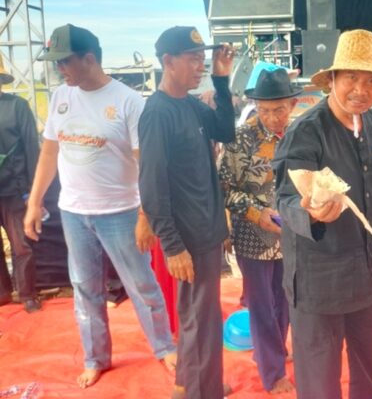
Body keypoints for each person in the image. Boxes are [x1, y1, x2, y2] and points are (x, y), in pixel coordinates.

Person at [23, 24, 176, 388]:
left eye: (65, 61)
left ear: (89, 58)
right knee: (85, 289)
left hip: (121, 212)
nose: (59, 69)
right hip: (74, 213)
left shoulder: (128, 102)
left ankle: (165, 347)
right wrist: (34, 203)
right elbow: (49, 152)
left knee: (142, 285)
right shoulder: (61, 97)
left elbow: (147, 165)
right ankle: (95, 358)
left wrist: (145, 216)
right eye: (56, 63)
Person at [272, 29, 372, 399]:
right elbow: (286, 198)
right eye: (351, 77)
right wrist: (312, 212)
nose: (360, 90)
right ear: (331, 79)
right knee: (319, 377)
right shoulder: (306, 132)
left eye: (371, 81)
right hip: (316, 278)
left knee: (370, 360)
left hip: (362, 270)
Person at [137, 26, 235, 399]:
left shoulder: (190, 105)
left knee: (202, 316)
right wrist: (173, 245)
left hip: (205, 230)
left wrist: (221, 81)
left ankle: (194, 385)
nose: (200, 66)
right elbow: (152, 185)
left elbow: (225, 130)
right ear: (168, 61)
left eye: (202, 59)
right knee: (199, 320)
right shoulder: (157, 113)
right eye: (193, 59)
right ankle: (200, 392)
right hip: (188, 237)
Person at [219, 68, 301, 394]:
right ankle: (273, 373)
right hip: (253, 236)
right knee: (262, 306)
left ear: (293, 104)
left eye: (279, 109)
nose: (271, 117)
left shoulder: (298, 134)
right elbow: (224, 189)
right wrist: (257, 212)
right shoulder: (239, 139)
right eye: (264, 110)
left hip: (290, 233)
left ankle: (273, 352)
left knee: (286, 299)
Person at [0, 57, 40, 313]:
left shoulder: (17, 106)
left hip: (15, 190)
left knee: (21, 245)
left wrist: (33, 192)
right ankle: (2, 293)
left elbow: (32, 148)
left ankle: (27, 294)